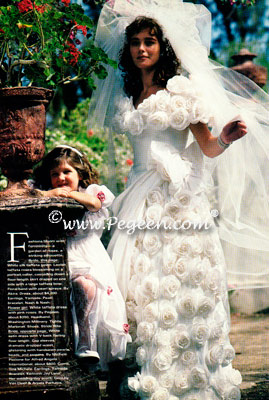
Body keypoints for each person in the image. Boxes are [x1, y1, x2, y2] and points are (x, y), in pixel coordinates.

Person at [89, 1, 269, 399]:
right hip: (138, 198)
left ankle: (188, 375)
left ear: (161, 46)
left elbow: (207, 148)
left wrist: (225, 138)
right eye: (135, 42)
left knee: (180, 281)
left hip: (178, 199)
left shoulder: (182, 90)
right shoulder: (127, 95)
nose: (141, 49)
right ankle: (145, 371)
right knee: (137, 285)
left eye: (149, 42)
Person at [33, 145, 131, 372]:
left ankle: (87, 343)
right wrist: (51, 194)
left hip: (88, 256)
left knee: (85, 285)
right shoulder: (45, 192)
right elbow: (29, 196)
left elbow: (94, 204)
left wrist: (69, 194)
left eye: (67, 172)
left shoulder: (92, 192)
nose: (60, 178)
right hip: (58, 255)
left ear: (80, 174)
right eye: (54, 174)